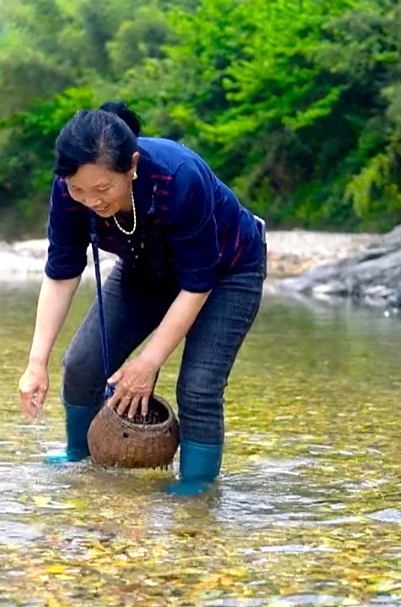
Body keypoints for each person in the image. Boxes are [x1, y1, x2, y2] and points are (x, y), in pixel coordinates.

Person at [18, 100, 267, 496]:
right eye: (79, 190)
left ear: (131, 165)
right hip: (145, 269)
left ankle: (198, 489)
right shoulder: (68, 190)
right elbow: (62, 273)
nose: (92, 201)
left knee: (198, 388)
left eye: (103, 189)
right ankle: (81, 457)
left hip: (226, 272)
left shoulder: (179, 177)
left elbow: (198, 284)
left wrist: (148, 363)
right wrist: (36, 363)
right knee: (81, 364)